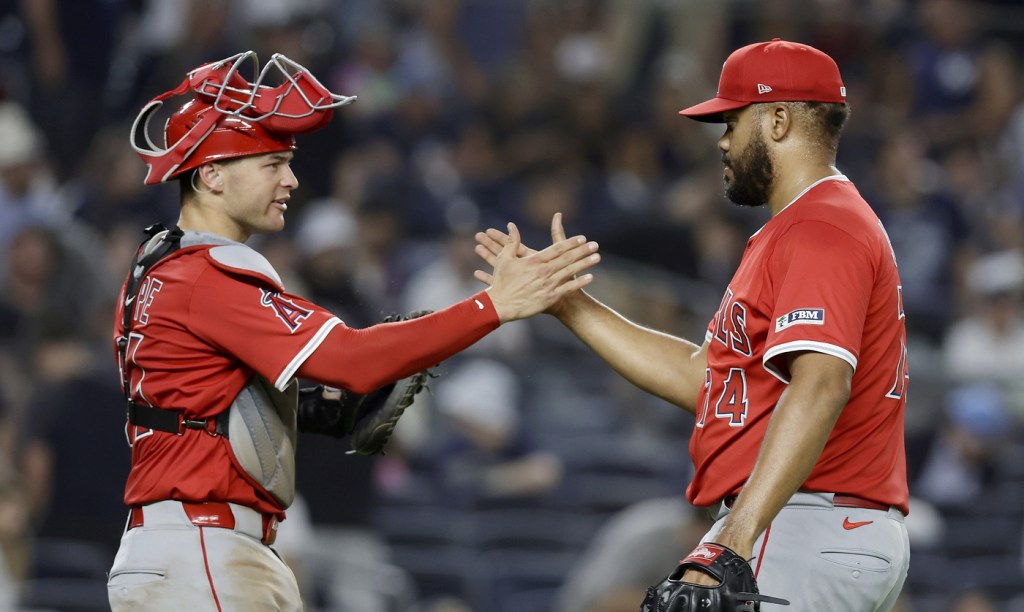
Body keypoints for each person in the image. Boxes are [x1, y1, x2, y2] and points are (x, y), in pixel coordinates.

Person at [106, 51, 600, 611]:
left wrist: (302, 407)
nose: (291, 179)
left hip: (177, 546)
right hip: (203, 551)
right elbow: (353, 360)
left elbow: (203, 400)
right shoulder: (206, 276)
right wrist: (493, 305)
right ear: (211, 175)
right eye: (272, 164)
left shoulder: (157, 268)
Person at [475, 39, 910, 609]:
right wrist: (567, 304)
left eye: (732, 121)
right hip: (801, 523)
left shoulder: (822, 227)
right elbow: (702, 378)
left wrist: (734, 537)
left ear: (778, 120)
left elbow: (823, 382)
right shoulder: (798, 229)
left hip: (803, 519)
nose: (723, 141)